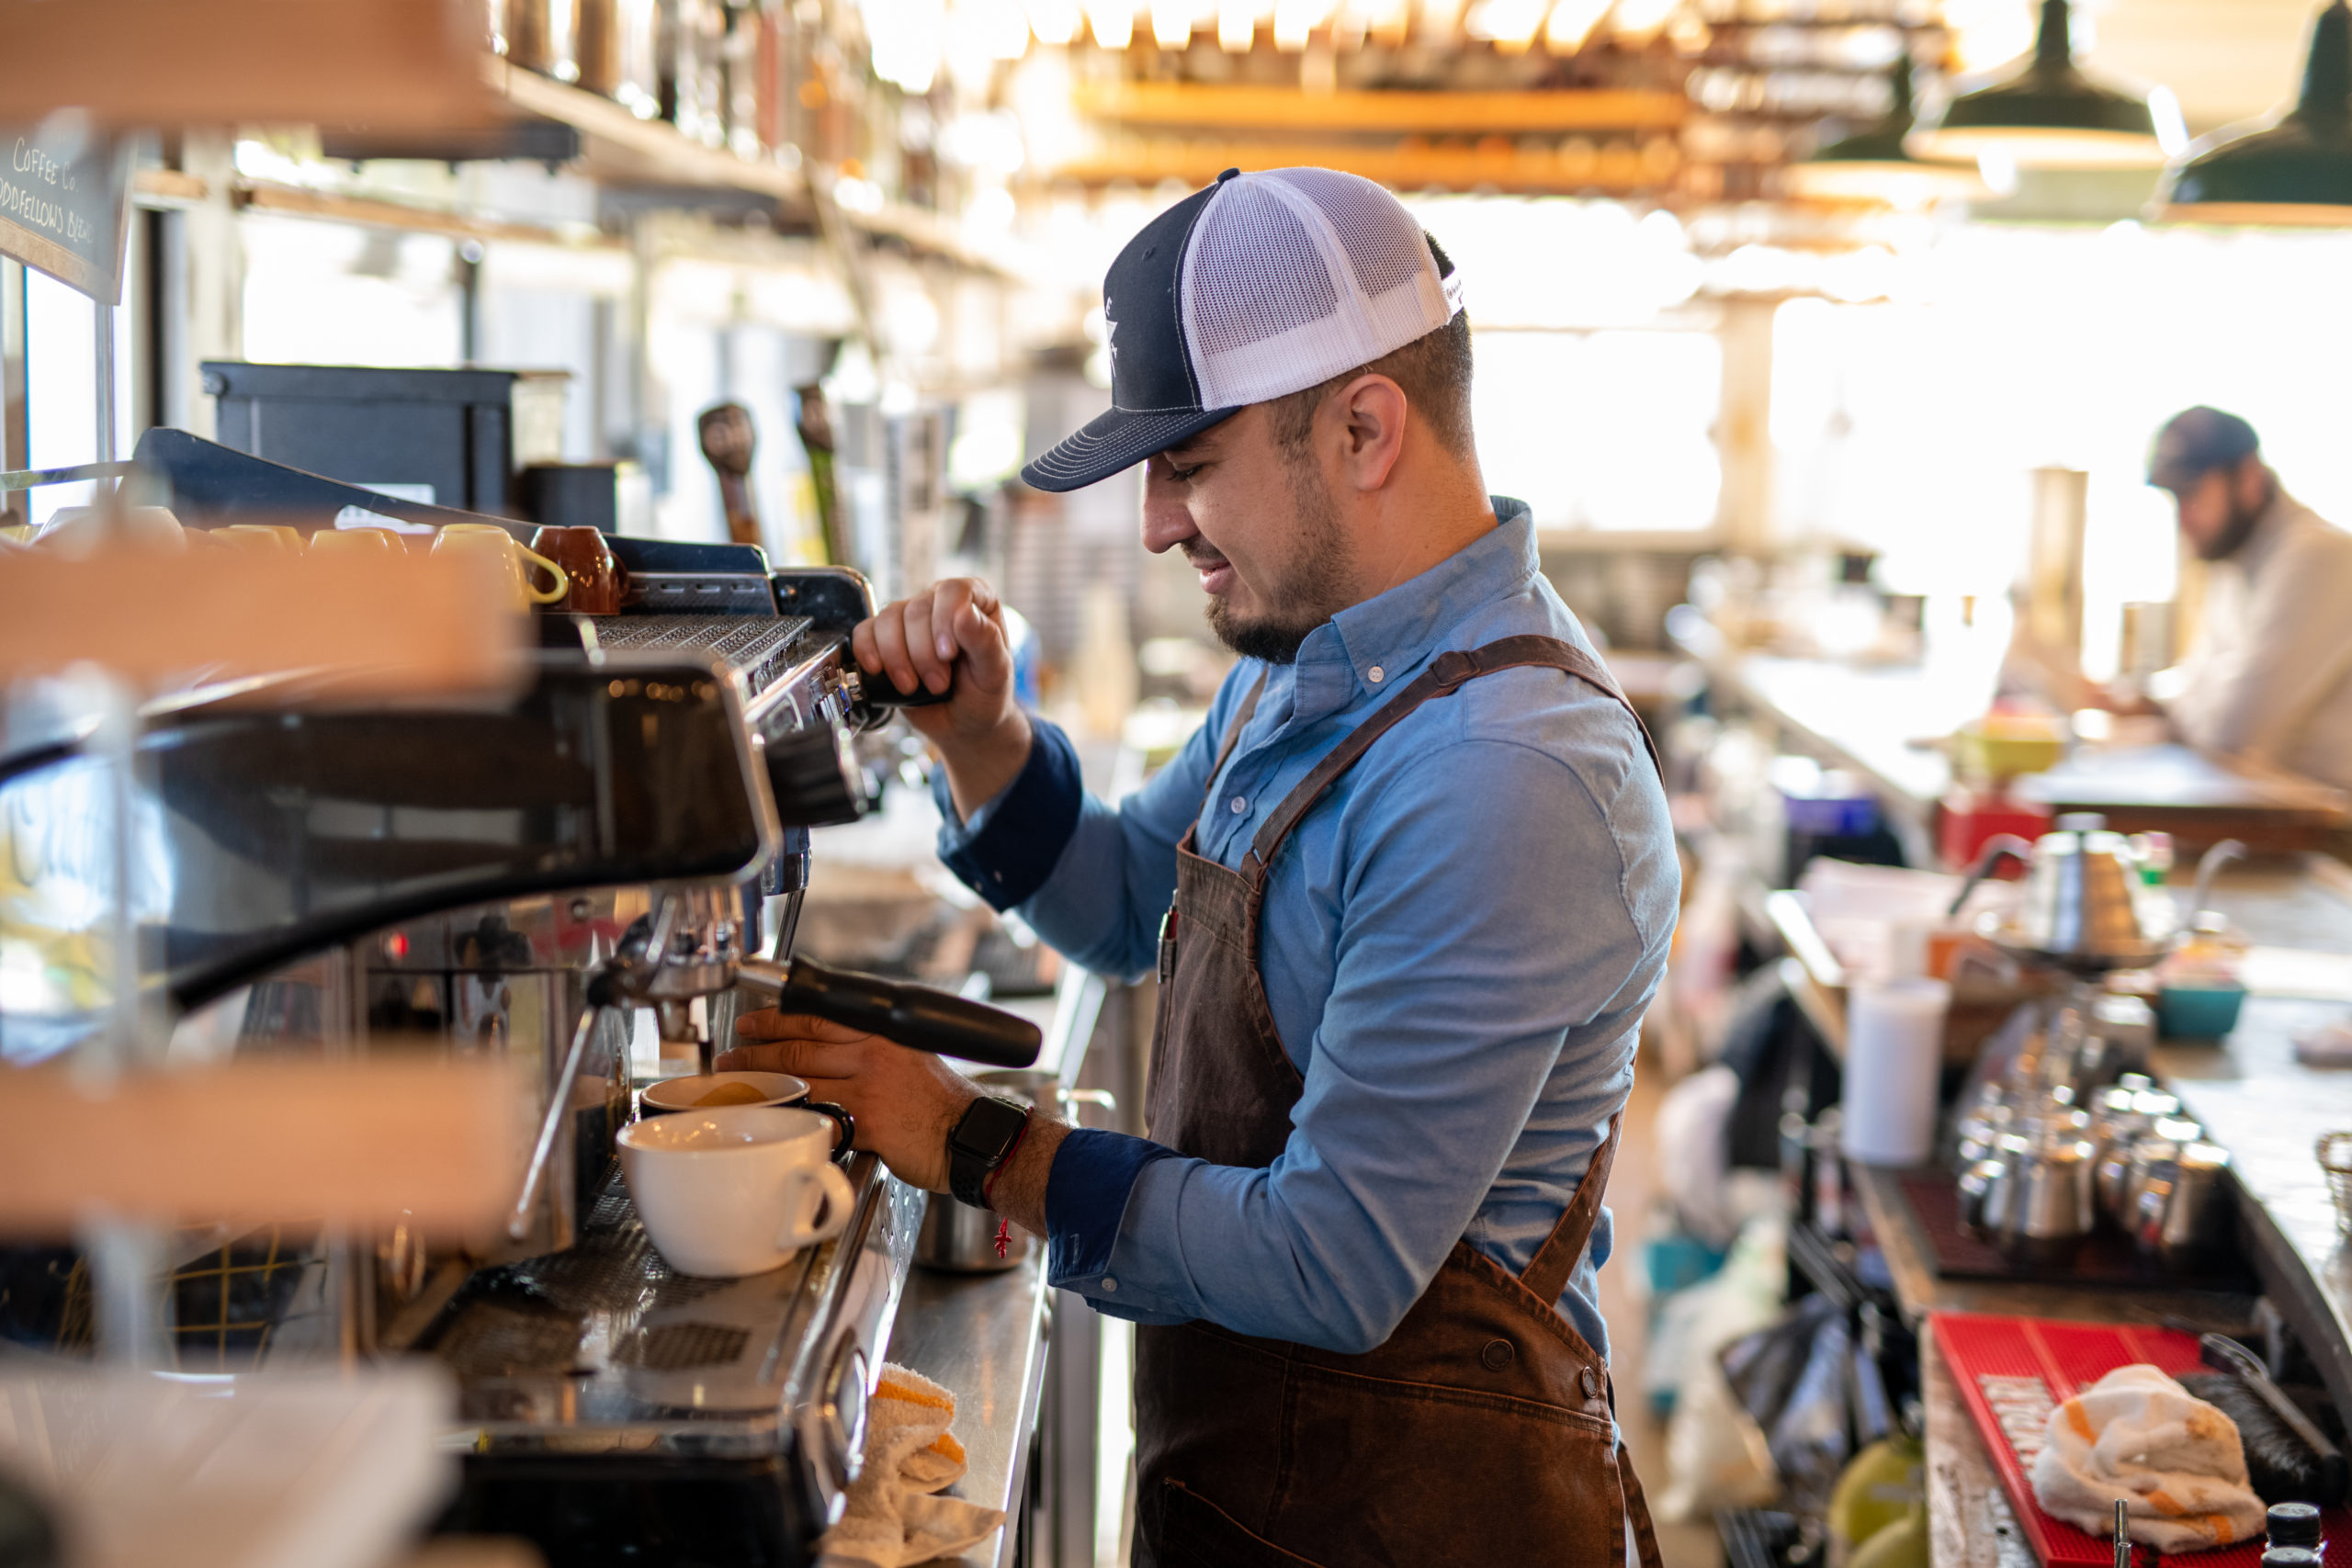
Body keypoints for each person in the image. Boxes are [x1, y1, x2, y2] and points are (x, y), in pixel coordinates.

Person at [720, 167, 1679, 1565]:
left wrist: (977, 1141)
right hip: (1261, 1494)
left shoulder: (1507, 775)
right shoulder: (1309, 665)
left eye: (1190, 465)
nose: (1160, 522)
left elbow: (1331, 1257)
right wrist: (984, 738)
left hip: (1431, 1520)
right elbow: (1122, 907)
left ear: (1363, 427)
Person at [2143, 407, 2352, 789]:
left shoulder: (2318, 555)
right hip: (2273, 819)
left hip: (2333, 835)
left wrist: (2183, 710)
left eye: (2191, 494)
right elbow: (2192, 692)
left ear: (2248, 477)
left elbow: (2233, 732)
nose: (2183, 519)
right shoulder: (2234, 560)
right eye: (2174, 498)